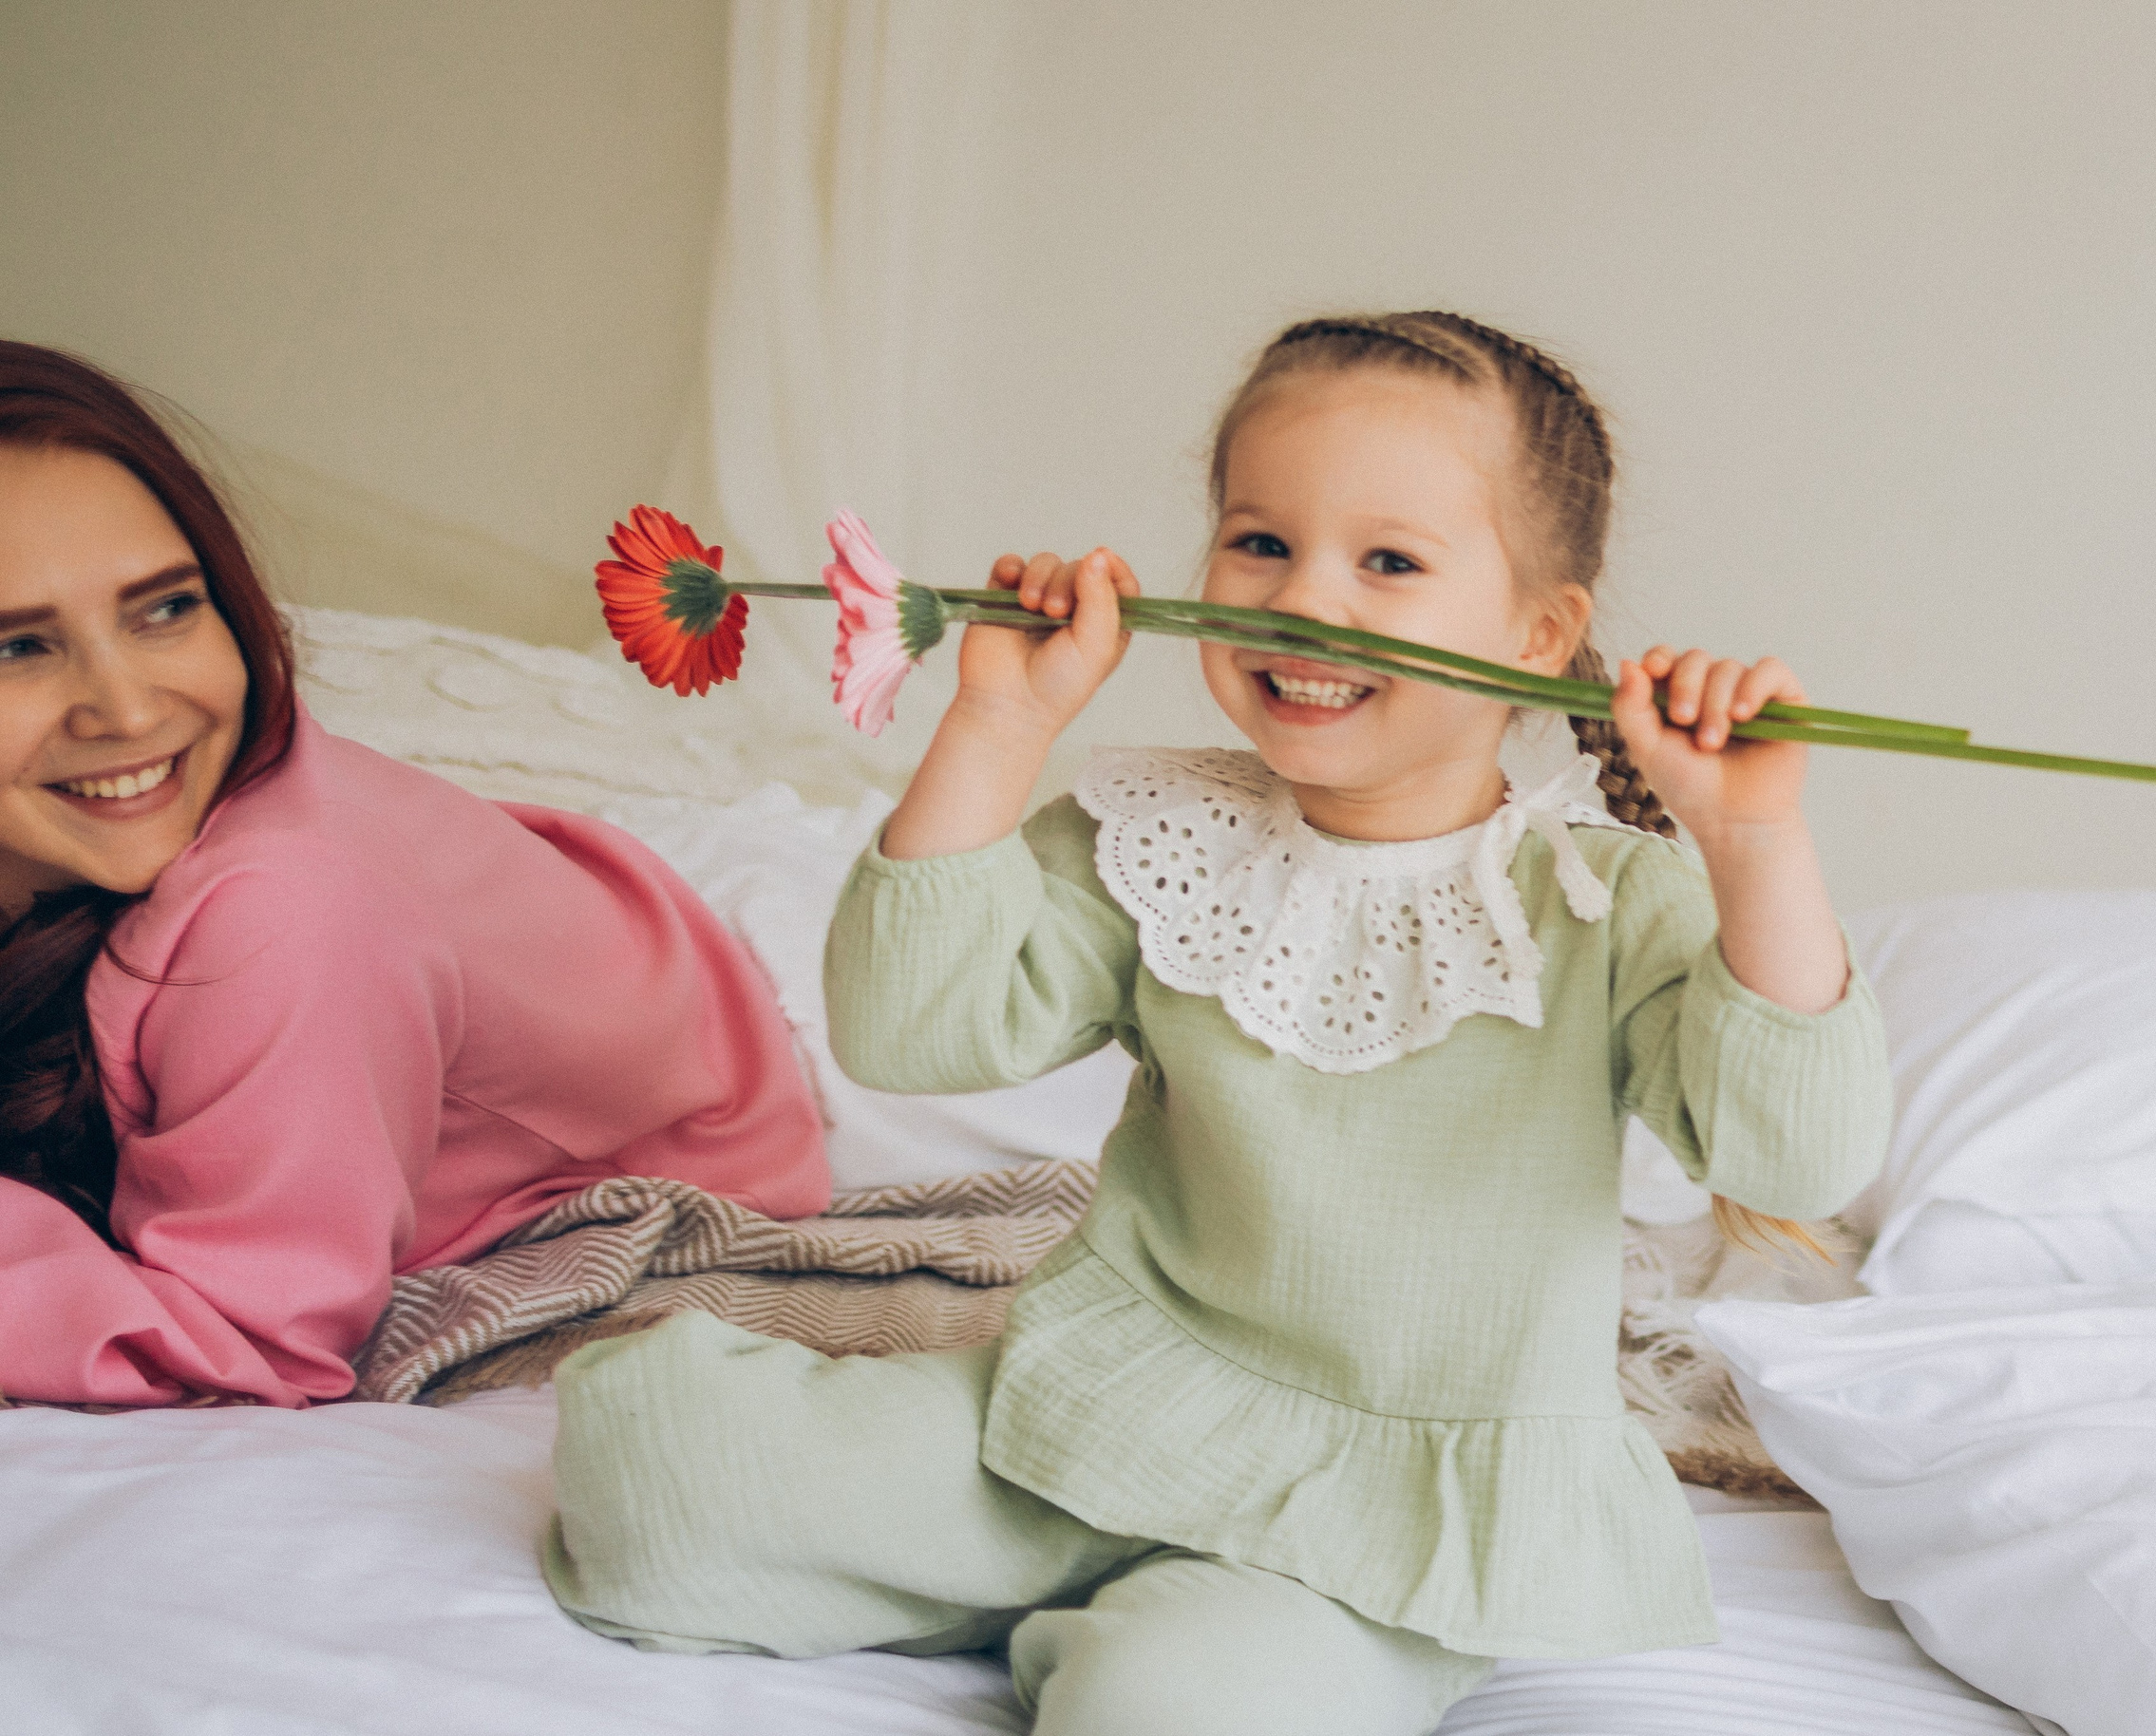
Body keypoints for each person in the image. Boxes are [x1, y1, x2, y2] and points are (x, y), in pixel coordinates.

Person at [544, 311, 1891, 1732]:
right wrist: (998, 726)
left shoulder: (1609, 896)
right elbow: (914, 1036)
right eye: (1260, 542)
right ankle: (1045, 1570)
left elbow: (1794, 1159)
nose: (1302, 601)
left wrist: (1754, 848)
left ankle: (1142, 1629)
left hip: (1371, 1523)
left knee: (1177, 1710)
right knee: (658, 1462)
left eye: (1388, 562)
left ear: (1540, 631)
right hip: (1089, 1406)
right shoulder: (1155, 830)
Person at [0, 342, 829, 1408]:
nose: (126, 710)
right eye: (17, 648)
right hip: (562, 925)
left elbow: (243, 1339)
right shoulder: (97, 834)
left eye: (164, 608)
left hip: (772, 1047)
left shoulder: (281, 920)